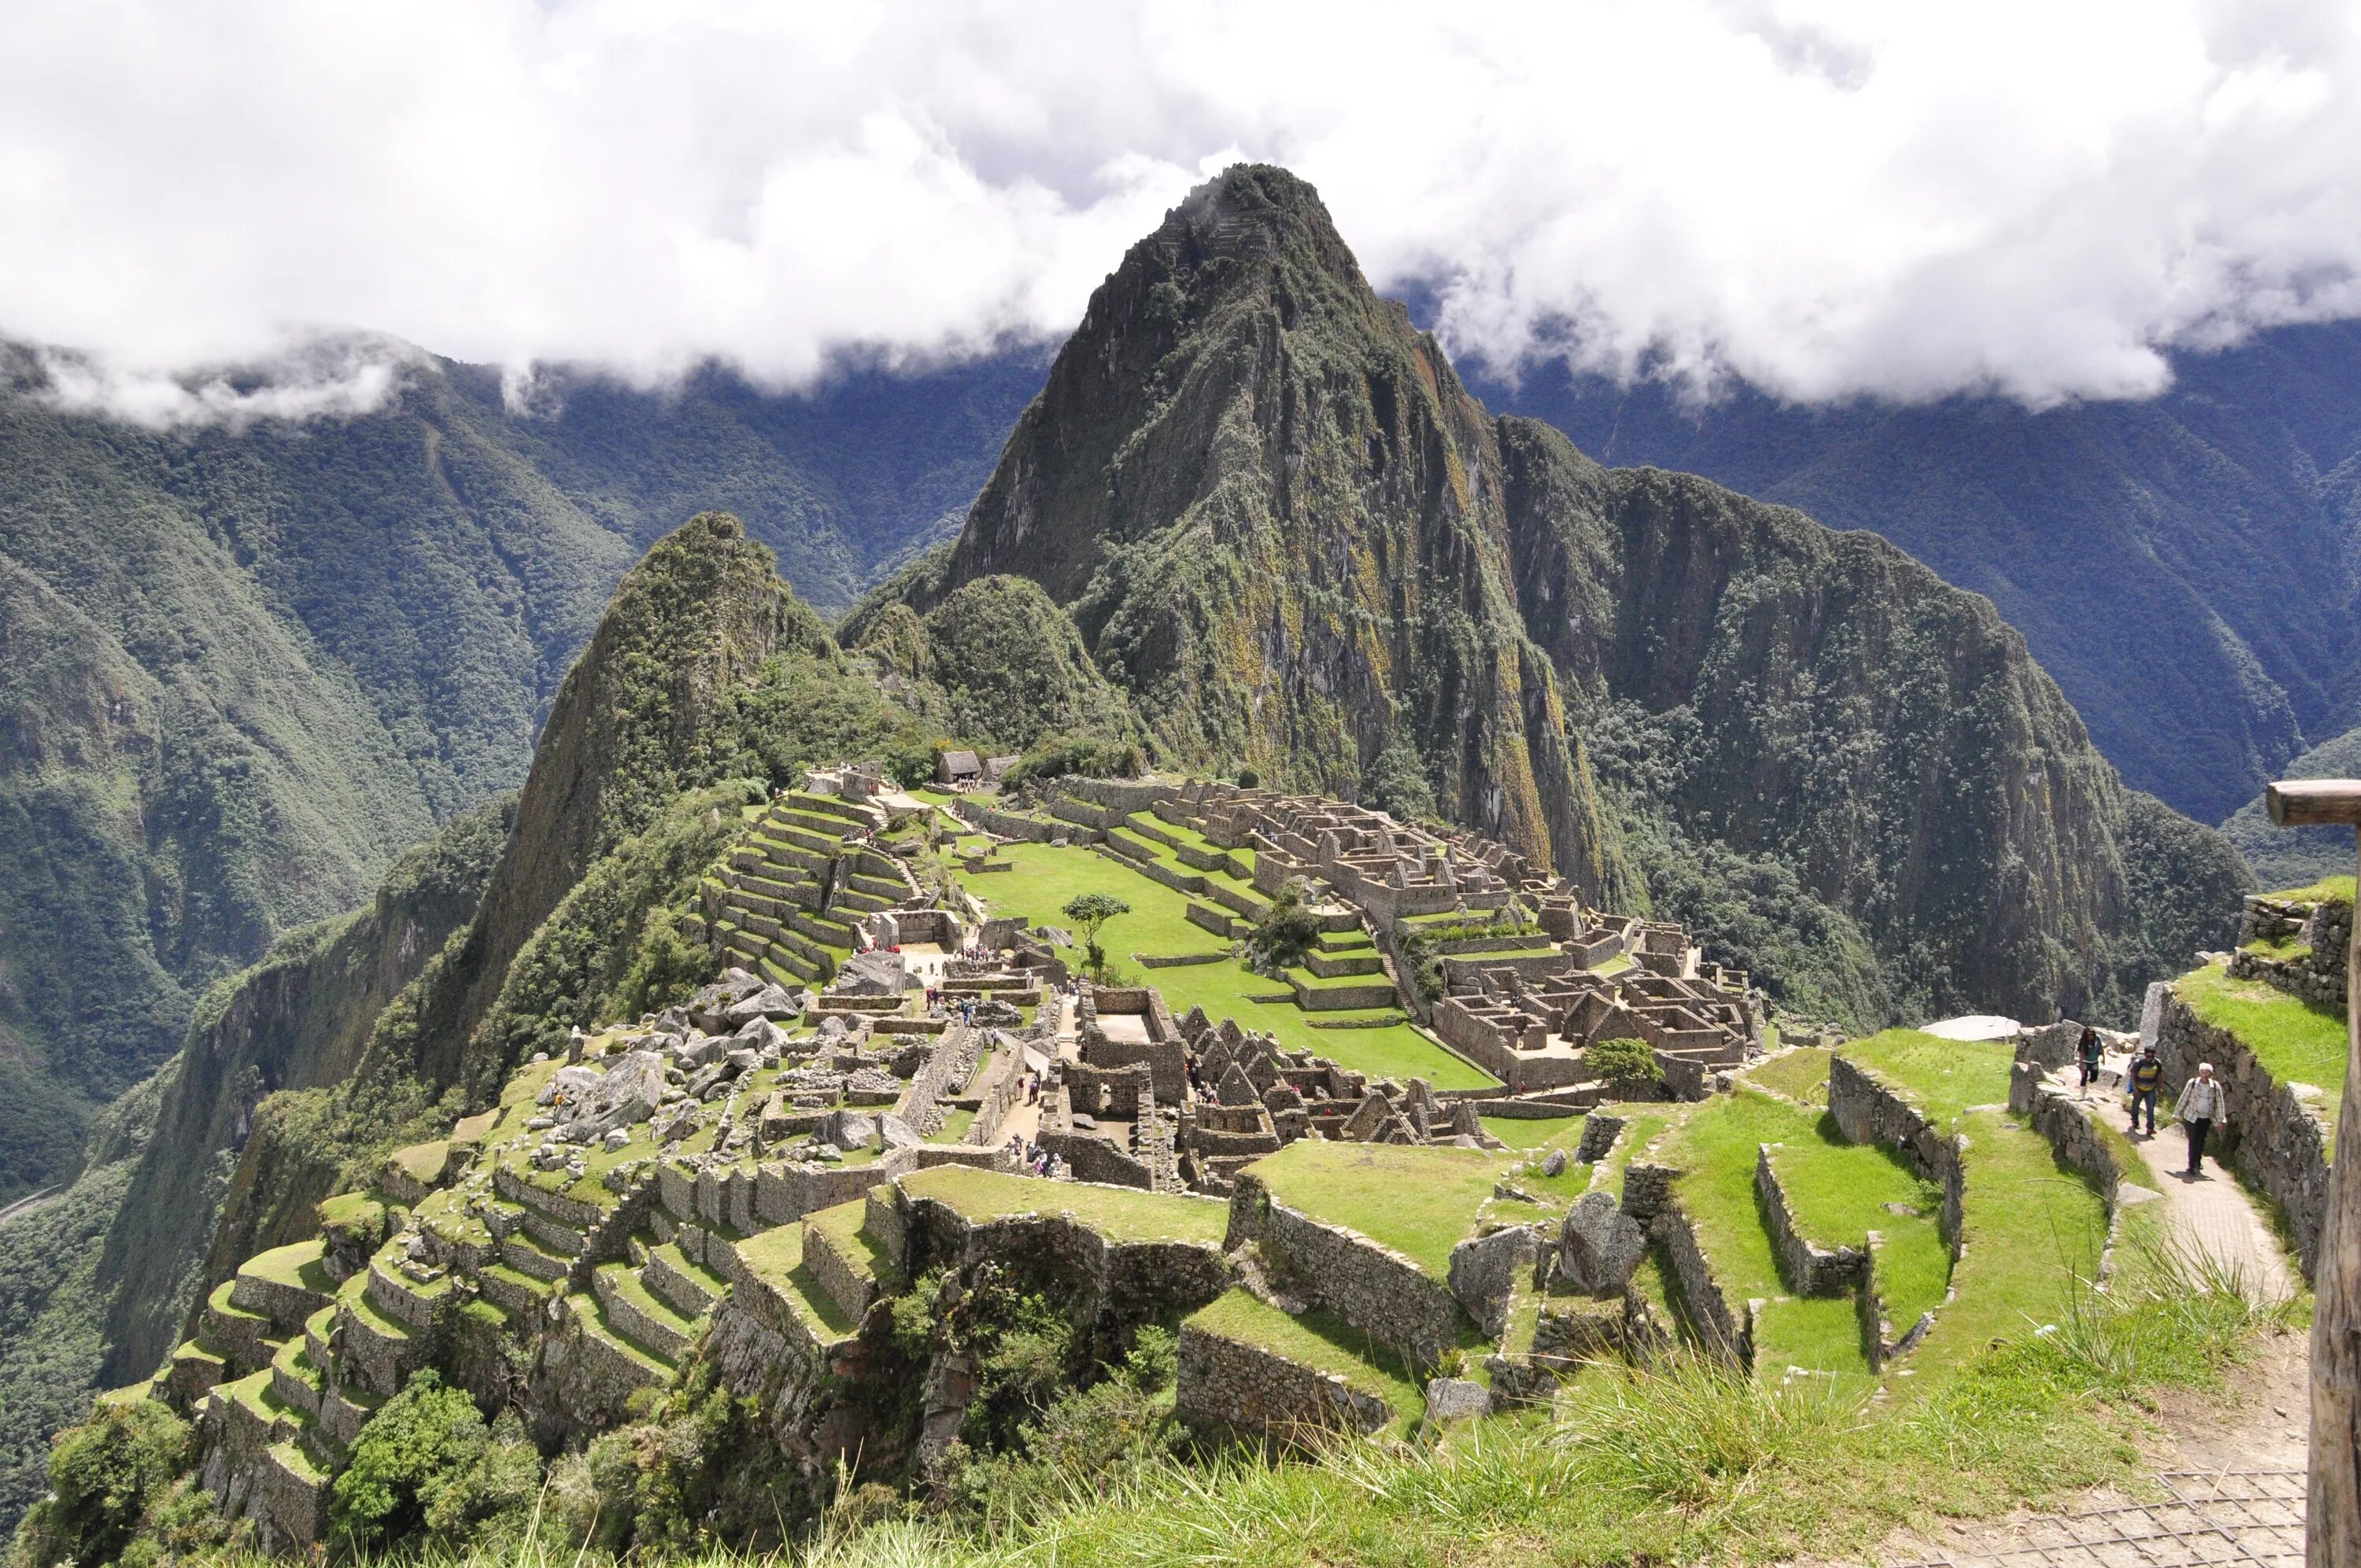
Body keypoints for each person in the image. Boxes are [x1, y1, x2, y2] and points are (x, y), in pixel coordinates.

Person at [2177, 1061, 2226, 1177]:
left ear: (2211, 1074)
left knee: (2201, 1141)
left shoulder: (2215, 1087)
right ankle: (2191, 1165)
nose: (2205, 1075)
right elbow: (2184, 1098)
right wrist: (2177, 1113)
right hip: (2192, 1116)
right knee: (2193, 1140)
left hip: (2205, 1118)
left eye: (2208, 1073)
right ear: (2200, 1073)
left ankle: (2197, 1162)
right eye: (2203, 1072)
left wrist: (2221, 1119)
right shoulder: (2193, 1083)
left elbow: (2219, 1103)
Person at [2126, 1044, 2163, 1134]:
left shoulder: (2157, 1063)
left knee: (2150, 1108)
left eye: (2152, 1056)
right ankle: (2135, 1121)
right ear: (2145, 1055)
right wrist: (2135, 1089)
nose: (2150, 1058)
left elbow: (2159, 1075)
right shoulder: (2139, 1063)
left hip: (2151, 1089)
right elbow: (2133, 1075)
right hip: (2139, 1089)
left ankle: (2150, 1128)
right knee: (2135, 1107)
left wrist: (2160, 1087)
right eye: (2148, 1056)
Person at [2076, 1026, 2104, 1095]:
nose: (2091, 1036)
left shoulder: (2097, 1038)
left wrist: (2103, 1057)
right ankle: (2082, 1095)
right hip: (2085, 1062)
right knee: (2084, 1077)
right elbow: (2081, 1054)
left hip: (2094, 1061)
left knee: (2094, 1078)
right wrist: (2080, 1065)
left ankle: (2087, 1084)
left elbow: (2101, 1047)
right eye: (2089, 1035)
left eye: (2092, 1034)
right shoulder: (2084, 1042)